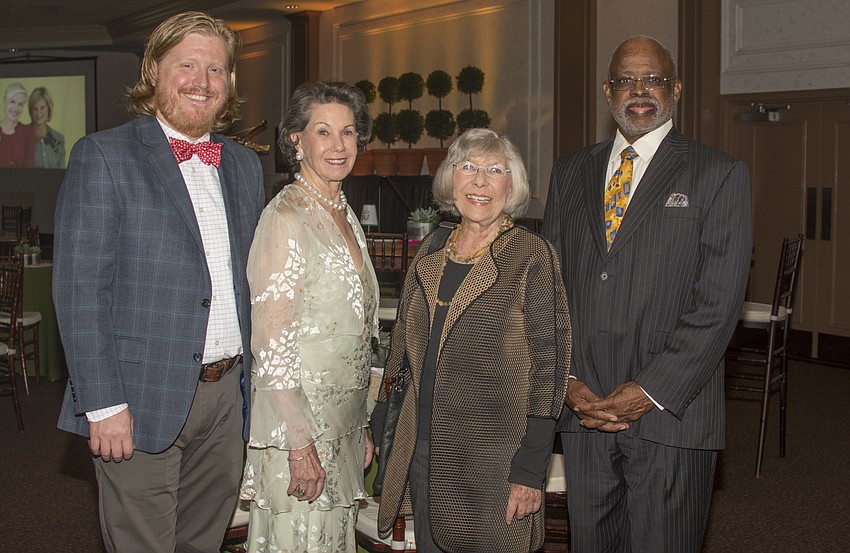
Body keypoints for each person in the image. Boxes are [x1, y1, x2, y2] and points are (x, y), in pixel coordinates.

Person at [53, 11, 266, 553]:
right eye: (187, 65)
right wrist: (101, 404)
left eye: (215, 69)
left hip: (228, 399)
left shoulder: (243, 166)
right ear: (153, 70)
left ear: (229, 83)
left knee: (201, 543)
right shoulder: (103, 156)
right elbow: (80, 291)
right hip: (139, 398)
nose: (202, 81)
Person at [542, 35, 752, 553]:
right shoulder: (570, 172)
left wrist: (649, 390)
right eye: (626, 80)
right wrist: (566, 380)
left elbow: (718, 305)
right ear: (607, 91)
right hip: (586, 410)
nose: (640, 90)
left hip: (671, 416)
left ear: (675, 88)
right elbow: (547, 291)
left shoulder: (718, 174)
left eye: (653, 79)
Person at [373, 128, 572, 553]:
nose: (480, 181)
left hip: (497, 459)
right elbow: (401, 349)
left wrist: (530, 468)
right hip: (425, 450)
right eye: (468, 168)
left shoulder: (531, 255)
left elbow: (549, 368)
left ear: (511, 185)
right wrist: (378, 424)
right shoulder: (431, 248)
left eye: (495, 170)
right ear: (451, 180)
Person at [239, 80, 379, 552]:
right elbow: (271, 347)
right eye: (324, 132)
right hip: (299, 433)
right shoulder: (286, 218)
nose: (339, 146)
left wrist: (359, 425)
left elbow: (354, 338)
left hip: (341, 427)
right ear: (296, 139)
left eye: (348, 132)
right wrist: (300, 446)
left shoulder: (342, 211)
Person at [28, 86, 66, 168]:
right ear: (31, 111)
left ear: (49, 109)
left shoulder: (59, 138)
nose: (38, 113)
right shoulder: (22, 136)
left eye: (42, 108)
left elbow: (62, 173)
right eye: (35, 109)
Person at [0, 82, 36, 167]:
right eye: (12, 102)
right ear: (4, 103)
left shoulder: (28, 133)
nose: (16, 108)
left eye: (20, 104)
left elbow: (28, 169)